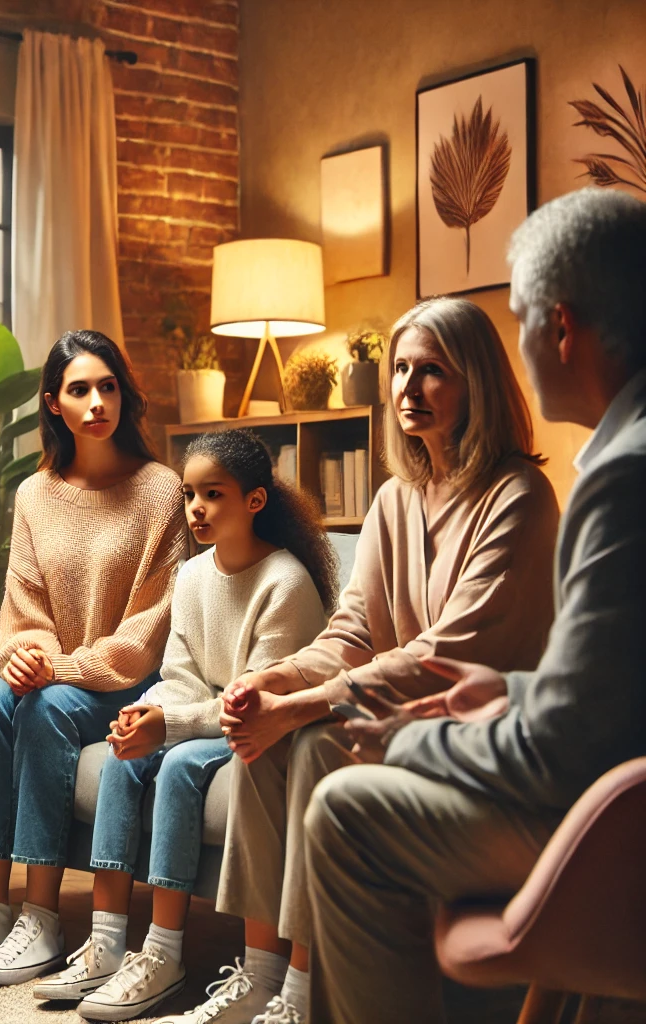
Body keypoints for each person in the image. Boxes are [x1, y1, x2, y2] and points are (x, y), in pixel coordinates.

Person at [304, 188, 646, 1024]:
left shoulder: (619, 478)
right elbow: (608, 688)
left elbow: (568, 749)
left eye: (522, 319)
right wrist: (508, 694)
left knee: (345, 812)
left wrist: (418, 739)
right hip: (605, 778)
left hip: (615, 818)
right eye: (401, 369)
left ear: (559, 328)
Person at [196, 297, 560, 1024]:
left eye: (432, 371)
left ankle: (304, 993)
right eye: (399, 369)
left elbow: (445, 654)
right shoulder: (395, 498)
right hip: (396, 716)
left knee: (317, 740)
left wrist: (301, 705)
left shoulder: (519, 495)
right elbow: (352, 631)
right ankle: (263, 978)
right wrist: (272, 681)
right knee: (261, 742)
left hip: (476, 739)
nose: (407, 387)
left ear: (477, 382)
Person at [31, 429, 340, 1022]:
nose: (197, 508)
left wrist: (168, 725)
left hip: (257, 725)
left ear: (254, 500)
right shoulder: (193, 576)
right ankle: (107, 944)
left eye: (214, 494)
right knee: (125, 751)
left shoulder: (285, 582)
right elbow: (180, 673)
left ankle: (165, 953)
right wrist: (146, 713)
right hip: (201, 713)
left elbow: (253, 700)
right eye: (191, 494)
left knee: (174, 763)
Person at [0, 329, 186, 986]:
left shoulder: (162, 490)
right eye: (80, 389)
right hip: (56, 674)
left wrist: (59, 669)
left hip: (129, 683)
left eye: (108, 386)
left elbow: (150, 629)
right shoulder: (36, 494)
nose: (96, 401)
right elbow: (25, 606)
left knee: (44, 704)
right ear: (54, 403)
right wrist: (26, 655)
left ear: (123, 397)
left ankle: (40, 916)